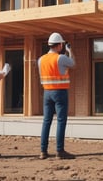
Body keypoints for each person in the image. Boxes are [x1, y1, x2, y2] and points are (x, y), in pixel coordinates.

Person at [38, 32, 76, 160]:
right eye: (62, 44)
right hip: (60, 92)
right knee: (61, 121)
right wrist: (69, 51)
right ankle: (60, 151)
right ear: (59, 45)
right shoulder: (61, 58)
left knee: (46, 121)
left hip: (47, 93)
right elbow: (73, 64)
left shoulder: (41, 59)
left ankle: (43, 151)